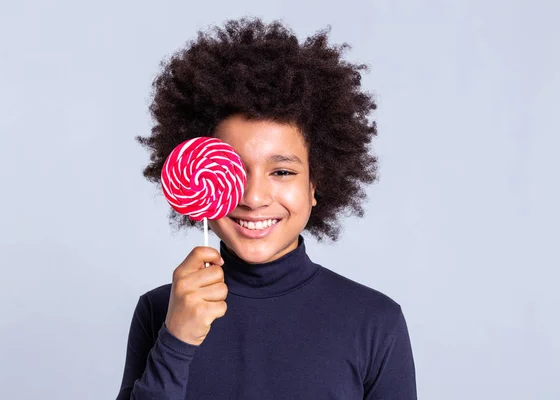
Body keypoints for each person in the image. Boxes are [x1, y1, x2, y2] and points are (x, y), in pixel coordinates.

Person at [116, 17, 417, 400]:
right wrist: (176, 341)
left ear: (315, 184)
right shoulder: (160, 310)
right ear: (199, 178)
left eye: (282, 171)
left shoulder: (375, 321)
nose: (254, 197)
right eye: (234, 169)